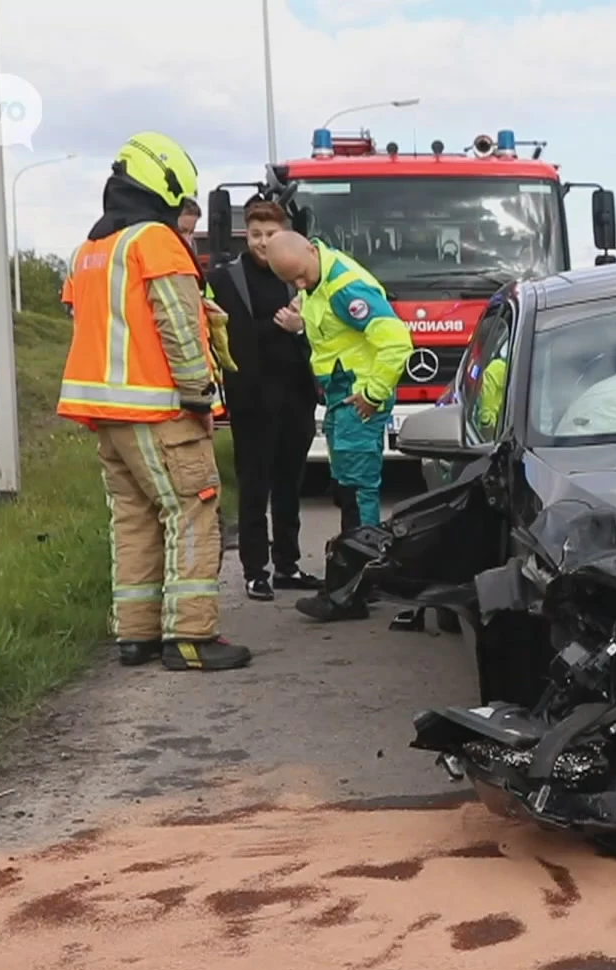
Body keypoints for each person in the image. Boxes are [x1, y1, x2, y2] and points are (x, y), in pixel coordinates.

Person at [56, 132, 253, 670]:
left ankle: (136, 636)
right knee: (193, 513)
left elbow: (89, 325)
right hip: (160, 409)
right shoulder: (157, 242)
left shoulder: (88, 251)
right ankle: (191, 638)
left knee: (135, 520)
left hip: (106, 415)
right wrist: (199, 394)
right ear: (165, 187)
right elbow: (177, 325)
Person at [261, 230, 412, 621]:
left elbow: (397, 341)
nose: (298, 285)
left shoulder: (346, 286)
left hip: (357, 398)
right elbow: (334, 335)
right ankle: (356, 583)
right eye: (290, 281)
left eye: (299, 275)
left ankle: (353, 592)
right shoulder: (318, 281)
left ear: (312, 249)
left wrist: (373, 393)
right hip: (342, 396)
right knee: (347, 489)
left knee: (357, 493)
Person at [207, 199, 322, 601]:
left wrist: (301, 327)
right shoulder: (225, 279)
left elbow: (322, 330)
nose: (262, 243)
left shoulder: (297, 276)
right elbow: (221, 331)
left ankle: (288, 564)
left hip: (296, 395)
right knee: (255, 484)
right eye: (255, 234)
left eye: (270, 235)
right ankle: (256, 570)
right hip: (251, 398)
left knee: (290, 484)